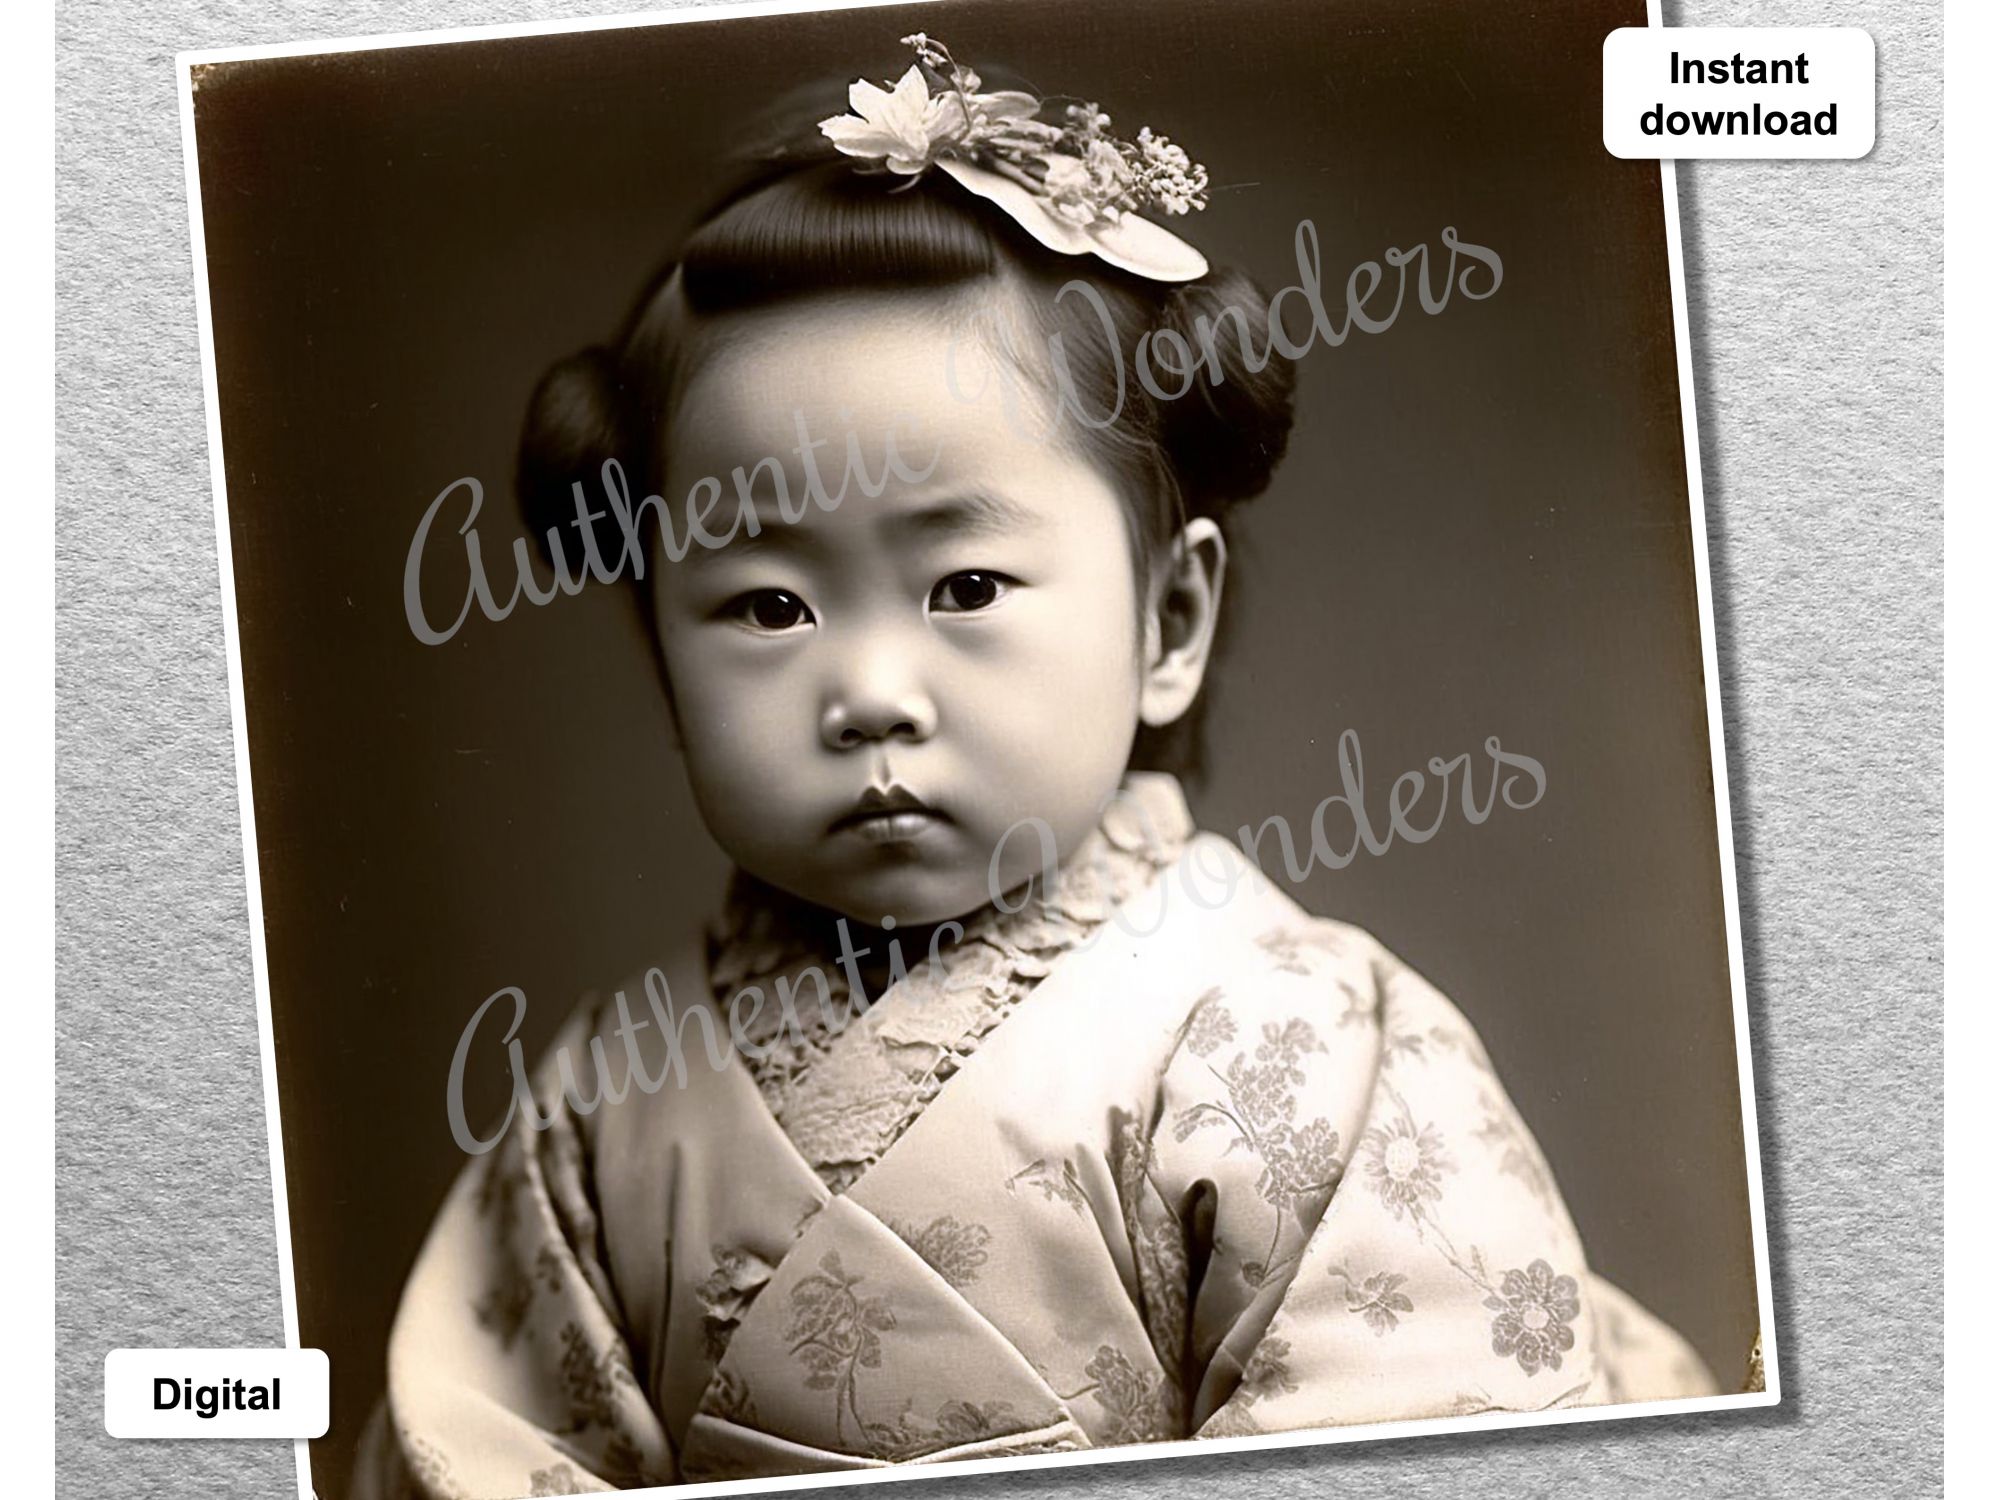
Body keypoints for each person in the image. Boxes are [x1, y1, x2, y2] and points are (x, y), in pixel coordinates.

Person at [353, 33, 1716, 1499]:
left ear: (1169, 619)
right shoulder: (599, 1106)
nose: (868, 692)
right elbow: (468, 1451)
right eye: (766, 607)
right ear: (661, 652)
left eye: (963, 589)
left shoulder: (1304, 1049)